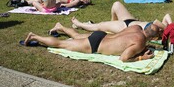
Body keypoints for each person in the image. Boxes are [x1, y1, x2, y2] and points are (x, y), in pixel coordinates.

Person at [24, 21, 160, 62]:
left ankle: (60, 27)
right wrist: (142, 57)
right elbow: (123, 58)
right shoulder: (140, 42)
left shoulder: (135, 27)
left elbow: (124, 39)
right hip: (95, 45)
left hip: (101, 36)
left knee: (77, 36)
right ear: (153, 38)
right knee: (62, 44)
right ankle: (34, 37)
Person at [70, 1, 172, 33]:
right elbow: (166, 16)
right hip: (130, 20)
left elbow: (156, 22)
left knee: (99, 26)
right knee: (116, 4)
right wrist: (171, 26)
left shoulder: (159, 32)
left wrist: (170, 28)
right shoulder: (165, 28)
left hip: (124, 27)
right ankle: (110, 27)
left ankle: (79, 24)